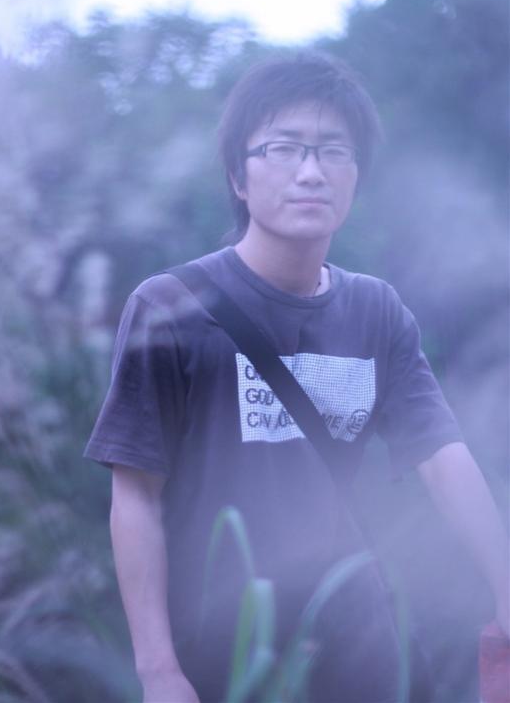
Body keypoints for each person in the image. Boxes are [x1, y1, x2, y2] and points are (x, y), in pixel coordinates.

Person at [84, 53, 509, 703]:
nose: (311, 172)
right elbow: (135, 497)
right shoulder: (171, 308)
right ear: (238, 175)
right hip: (227, 653)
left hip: (358, 644)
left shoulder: (375, 310)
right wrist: (158, 671)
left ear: (355, 174)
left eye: (332, 151)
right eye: (284, 148)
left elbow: (443, 456)